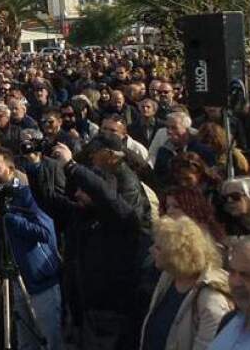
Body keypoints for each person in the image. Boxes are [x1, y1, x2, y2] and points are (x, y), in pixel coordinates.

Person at [55, 135, 151, 349]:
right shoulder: (85, 218)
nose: (77, 194)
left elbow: (108, 198)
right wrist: (35, 165)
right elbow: (52, 202)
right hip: (86, 308)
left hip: (112, 312)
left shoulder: (120, 220)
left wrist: (72, 166)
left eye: (83, 190)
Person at [0, 146, 64, 350]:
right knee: (26, 341)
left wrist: (6, 218)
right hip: (15, 277)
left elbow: (45, 232)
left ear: (10, 168)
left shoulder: (27, 194)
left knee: (48, 340)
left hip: (40, 280)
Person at [140, 215, 233, 350]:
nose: (151, 250)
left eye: (158, 248)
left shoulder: (211, 299)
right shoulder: (168, 277)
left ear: (177, 255)